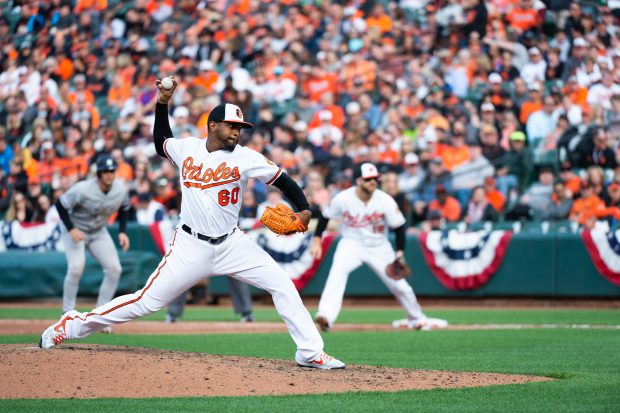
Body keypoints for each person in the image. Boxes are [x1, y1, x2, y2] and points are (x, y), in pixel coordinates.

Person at [39, 77, 345, 370]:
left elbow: (284, 181)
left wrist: (304, 209)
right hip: (190, 245)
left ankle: (310, 352)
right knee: (145, 302)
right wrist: (162, 102)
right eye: (231, 126)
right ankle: (74, 324)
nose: (237, 132)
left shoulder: (246, 156)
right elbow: (161, 142)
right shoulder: (188, 149)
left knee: (282, 285)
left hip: (231, 244)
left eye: (241, 127)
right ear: (213, 126)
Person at [310, 162, 448, 332]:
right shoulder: (343, 198)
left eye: (375, 179)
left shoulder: (385, 200)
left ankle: (417, 318)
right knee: (336, 274)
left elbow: (399, 228)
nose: (373, 182)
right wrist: (317, 239)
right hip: (351, 243)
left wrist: (399, 253)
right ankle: (326, 317)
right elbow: (325, 217)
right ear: (359, 180)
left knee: (400, 286)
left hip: (379, 246)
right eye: (369, 179)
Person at [54, 154, 130, 334]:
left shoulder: (120, 189)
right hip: (76, 229)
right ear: (99, 173)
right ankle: (67, 314)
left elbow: (125, 207)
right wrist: (71, 229)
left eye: (111, 171)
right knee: (76, 267)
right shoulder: (83, 189)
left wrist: (122, 231)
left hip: (97, 231)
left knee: (114, 269)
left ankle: (100, 316)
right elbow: (60, 205)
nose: (109, 174)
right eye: (105, 171)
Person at [166, 277, 254, 323]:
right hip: (201, 244)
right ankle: (172, 314)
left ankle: (247, 314)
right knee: (184, 270)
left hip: (225, 244)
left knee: (237, 270)